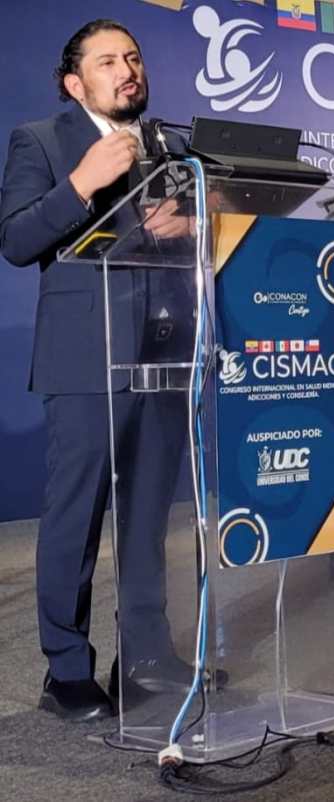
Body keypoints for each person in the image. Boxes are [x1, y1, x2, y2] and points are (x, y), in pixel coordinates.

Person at [0, 19, 191, 723]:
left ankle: (146, 657)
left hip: (163, 353)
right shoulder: (41, 140)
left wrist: (191, 227)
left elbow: (197, 239)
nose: (128, 69)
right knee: (75, 519)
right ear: (74, 82)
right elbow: (16, 239)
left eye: (133, 57)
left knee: (148, 519)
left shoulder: (172, 147)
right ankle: (67, 670)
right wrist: (83, 181)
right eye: (108, 60)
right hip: (85, 359)